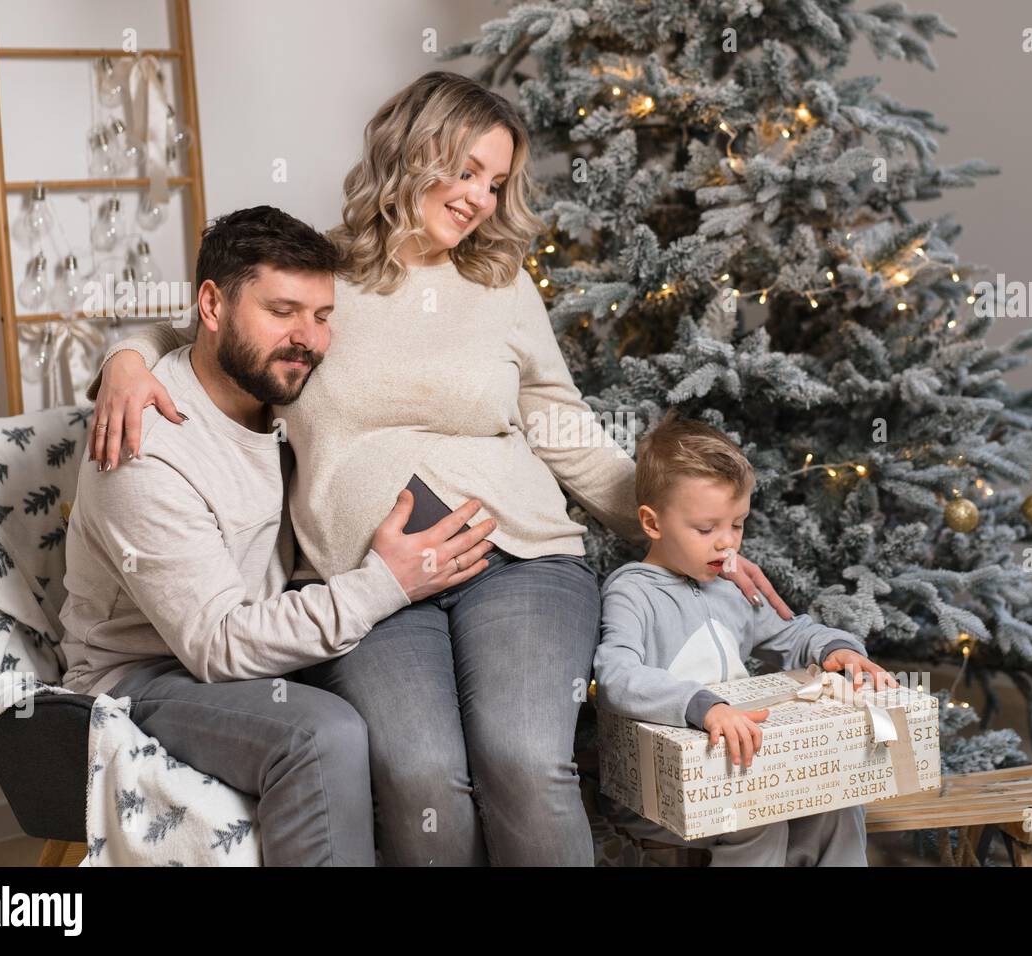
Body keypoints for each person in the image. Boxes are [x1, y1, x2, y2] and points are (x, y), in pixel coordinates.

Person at [83, 72, 794, 866]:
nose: (479, 199)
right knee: (419, 774)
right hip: (369, 580)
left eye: (495, 182)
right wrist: (123, 359)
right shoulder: (318, 279)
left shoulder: (500, 284)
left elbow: (563, 429)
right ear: (410, 152)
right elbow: (202, 331)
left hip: (518, 559)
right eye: (464, 171)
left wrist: (693, 531)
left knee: (522, 760)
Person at [59, 205, 495, 865]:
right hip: (145, 673)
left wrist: (125, 350)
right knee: (321, 734)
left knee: (425, 724)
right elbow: (215, 645)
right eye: (282, 310)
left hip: (263, 638)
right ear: (212, 305)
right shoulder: (146, 444)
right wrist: (387, 582)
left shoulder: (282, 388)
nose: (308, 339)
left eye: (321, 316)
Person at [593, 410, 892, 865]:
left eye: (737, 524)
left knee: (837, 801)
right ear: (652, 524)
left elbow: (792, 634)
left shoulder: (733, 585)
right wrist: (703, 705)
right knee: (756, 818)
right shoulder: (632, 590)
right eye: (706, 528)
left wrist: (837, 650)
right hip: (658, 787)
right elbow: (616, 676)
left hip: (743, 763)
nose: (726, 543)